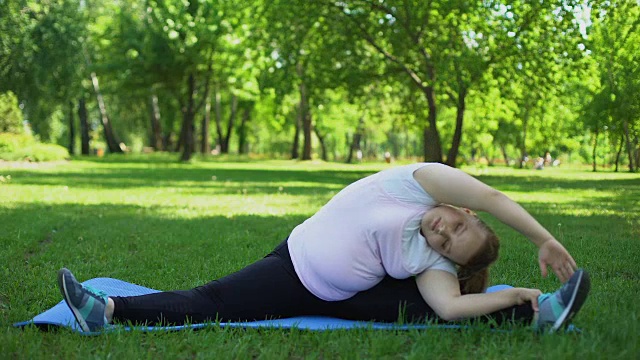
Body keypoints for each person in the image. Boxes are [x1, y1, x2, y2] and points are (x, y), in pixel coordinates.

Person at [57, 163, 590, 333]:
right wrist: (543, 237)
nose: (443, 230)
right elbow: (495, 196)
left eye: (449, 242)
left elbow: (451, 306)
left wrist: (515, 290)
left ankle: (535, 311)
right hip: (293, 266)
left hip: (344, 297)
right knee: (213, 300)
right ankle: (106, 310)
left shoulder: (431, 258)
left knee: (434, 313)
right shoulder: (421, 182)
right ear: (462, 209)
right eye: (455, 224)